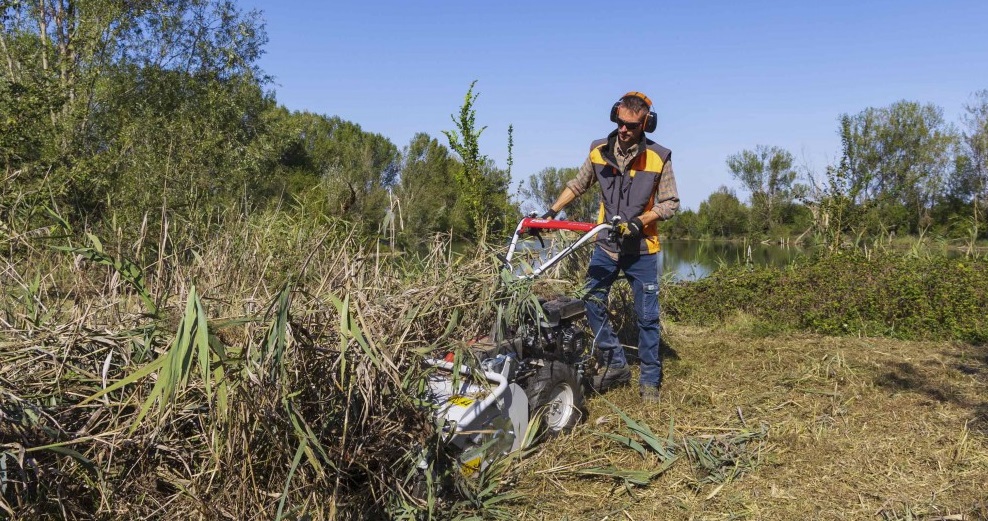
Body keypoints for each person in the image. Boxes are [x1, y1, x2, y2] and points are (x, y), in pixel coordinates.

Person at [541, 91, 679, 403]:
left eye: (631, 125)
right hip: (606, 244)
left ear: (646, 124)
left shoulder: (659, 157)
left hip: (642, 248)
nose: (623, 130)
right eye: (619, 123)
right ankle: (616, 363)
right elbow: (578, 184)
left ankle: (650, 382)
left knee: (647, 317)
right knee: (591, 300)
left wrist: (640, 222)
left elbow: (670, 203)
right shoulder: (598, 151)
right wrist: (551, 212)